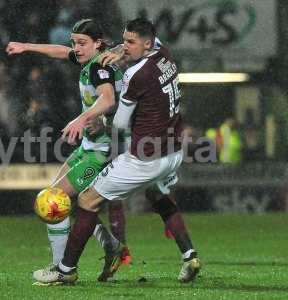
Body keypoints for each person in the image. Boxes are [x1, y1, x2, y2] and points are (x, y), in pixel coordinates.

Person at [33, 18, 201, 285]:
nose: (124, 47)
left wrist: (94, 121)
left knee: (85, 201)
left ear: (145, 44)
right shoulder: (165, 56)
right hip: (171, 150)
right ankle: (189, 255)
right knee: (156, 195)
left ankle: (65, 269)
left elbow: (120, 121)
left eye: (130, 42)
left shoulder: (132, 74)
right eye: (123, 40)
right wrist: (124, 50)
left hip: (140, 155)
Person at [6, 19, 130, 283]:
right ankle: (110, 245)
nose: (76, 48)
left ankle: (62, 269)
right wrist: (26, 46)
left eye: (82, 43)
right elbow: (61, 52)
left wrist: (80, 119)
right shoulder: (91, 60)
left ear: (98, 43)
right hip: (90, 146)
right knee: (58, 202)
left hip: (104, 150)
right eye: (74, 42)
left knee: (53, 203)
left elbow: (108, 99)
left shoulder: (100, 68)